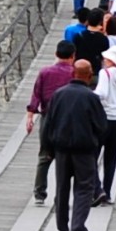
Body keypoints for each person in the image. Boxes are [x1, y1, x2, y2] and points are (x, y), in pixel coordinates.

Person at [41, 59, 107, 231]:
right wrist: (95, 142)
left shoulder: (58, 95)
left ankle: (62, 227)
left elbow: (49, 122)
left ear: (73, 73)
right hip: (84, 149)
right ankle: (78, 225)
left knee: (62, 187)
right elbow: (101, 125)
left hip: (61, 149)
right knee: (84, 187)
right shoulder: (91, 98)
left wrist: (48, 148)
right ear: (89, 74)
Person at [27, 38, 78, 205]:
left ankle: (39, 193)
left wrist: (30, 117)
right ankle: (61, 195)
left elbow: (36, 95)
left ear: (56, 54)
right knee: (66, 157)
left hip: (48, 117)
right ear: (73, 56)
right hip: (68, 119)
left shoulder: (44, 72)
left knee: (44, 156)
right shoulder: (75, 73)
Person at [93, 42, 116, 207]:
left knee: (91, 156)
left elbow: (101, 93)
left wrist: (87, 95)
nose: (103, 60)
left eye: (106, 58)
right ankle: (107, 193)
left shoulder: (105, 73)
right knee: (111, 157)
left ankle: (97, 189)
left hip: (103, 118)